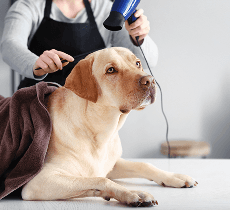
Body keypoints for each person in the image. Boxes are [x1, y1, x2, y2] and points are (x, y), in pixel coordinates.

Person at [1, 0, 158, 89]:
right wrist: (35, 64)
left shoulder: (108, 10)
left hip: (89, 107)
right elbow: (10, 44)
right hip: (37, 103)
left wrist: (139, 37)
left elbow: (146, 62)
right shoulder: (29, 5)